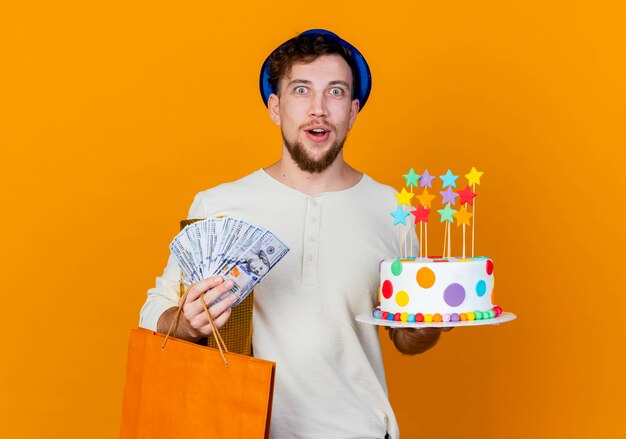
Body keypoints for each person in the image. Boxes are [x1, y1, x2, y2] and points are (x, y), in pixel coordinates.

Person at [140, 29, 450, 439]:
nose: (318, 109)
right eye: (301, 90)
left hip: (362, 430)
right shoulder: (219, 206)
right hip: (243, 429)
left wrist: (426, 329)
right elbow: (155, 312)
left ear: (353, 111)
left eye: (335, 92)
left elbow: (405, 338)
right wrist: (186, 325)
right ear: (275, 107)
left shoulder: (394, 210)